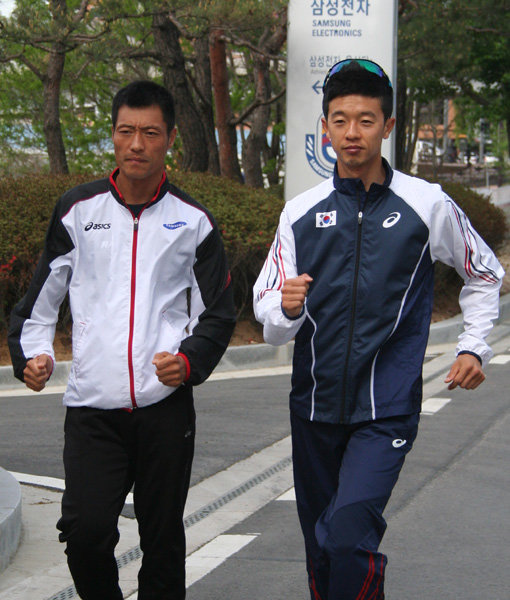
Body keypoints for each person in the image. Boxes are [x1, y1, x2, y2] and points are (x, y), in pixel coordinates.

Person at [253, 59, 504, 600]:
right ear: (325, 127)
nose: (351, 133)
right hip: (313, 409)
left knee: (347, 539)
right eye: (340, 120)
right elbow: (271, 324)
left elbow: (484, 273)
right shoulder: (299, 212)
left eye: (365, 120)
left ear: (387, 127)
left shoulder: (426, 203)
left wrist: (473, 347)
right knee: (320, 553)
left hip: (384, 407)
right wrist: (287, 307)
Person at [9, 80, 236, 600]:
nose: (137, 144)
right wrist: (33, 356)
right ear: (113, 136)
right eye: (126, 131)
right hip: (93, 410)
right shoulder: (77, 211)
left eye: (150, 133)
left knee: (161, 542)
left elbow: (217, 315)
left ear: (169, 139)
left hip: (164, 409)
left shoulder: (194, 222)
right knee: (85, 534)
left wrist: (188, 360)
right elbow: (39, 305)